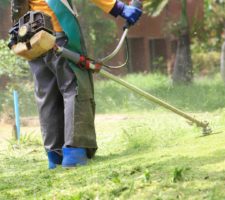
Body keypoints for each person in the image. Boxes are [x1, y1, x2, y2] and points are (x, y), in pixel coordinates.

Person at [13, 0, 142, 169]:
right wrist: (120, 8)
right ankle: (75, 152)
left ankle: (55, 156)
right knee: (74, 88)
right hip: (56, 34)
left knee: (47, 97)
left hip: (33, 37)